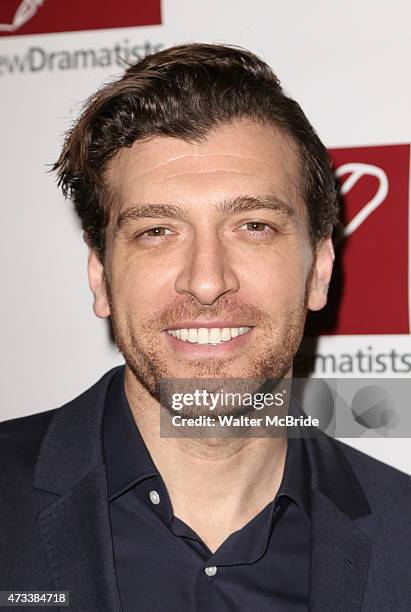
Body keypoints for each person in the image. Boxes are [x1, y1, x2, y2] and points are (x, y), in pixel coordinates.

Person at [1, 43, 410, 611]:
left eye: (253, 226)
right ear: (101, 278)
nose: (207, 280)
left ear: (318, 270)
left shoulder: (403, 536)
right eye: (157, 231)